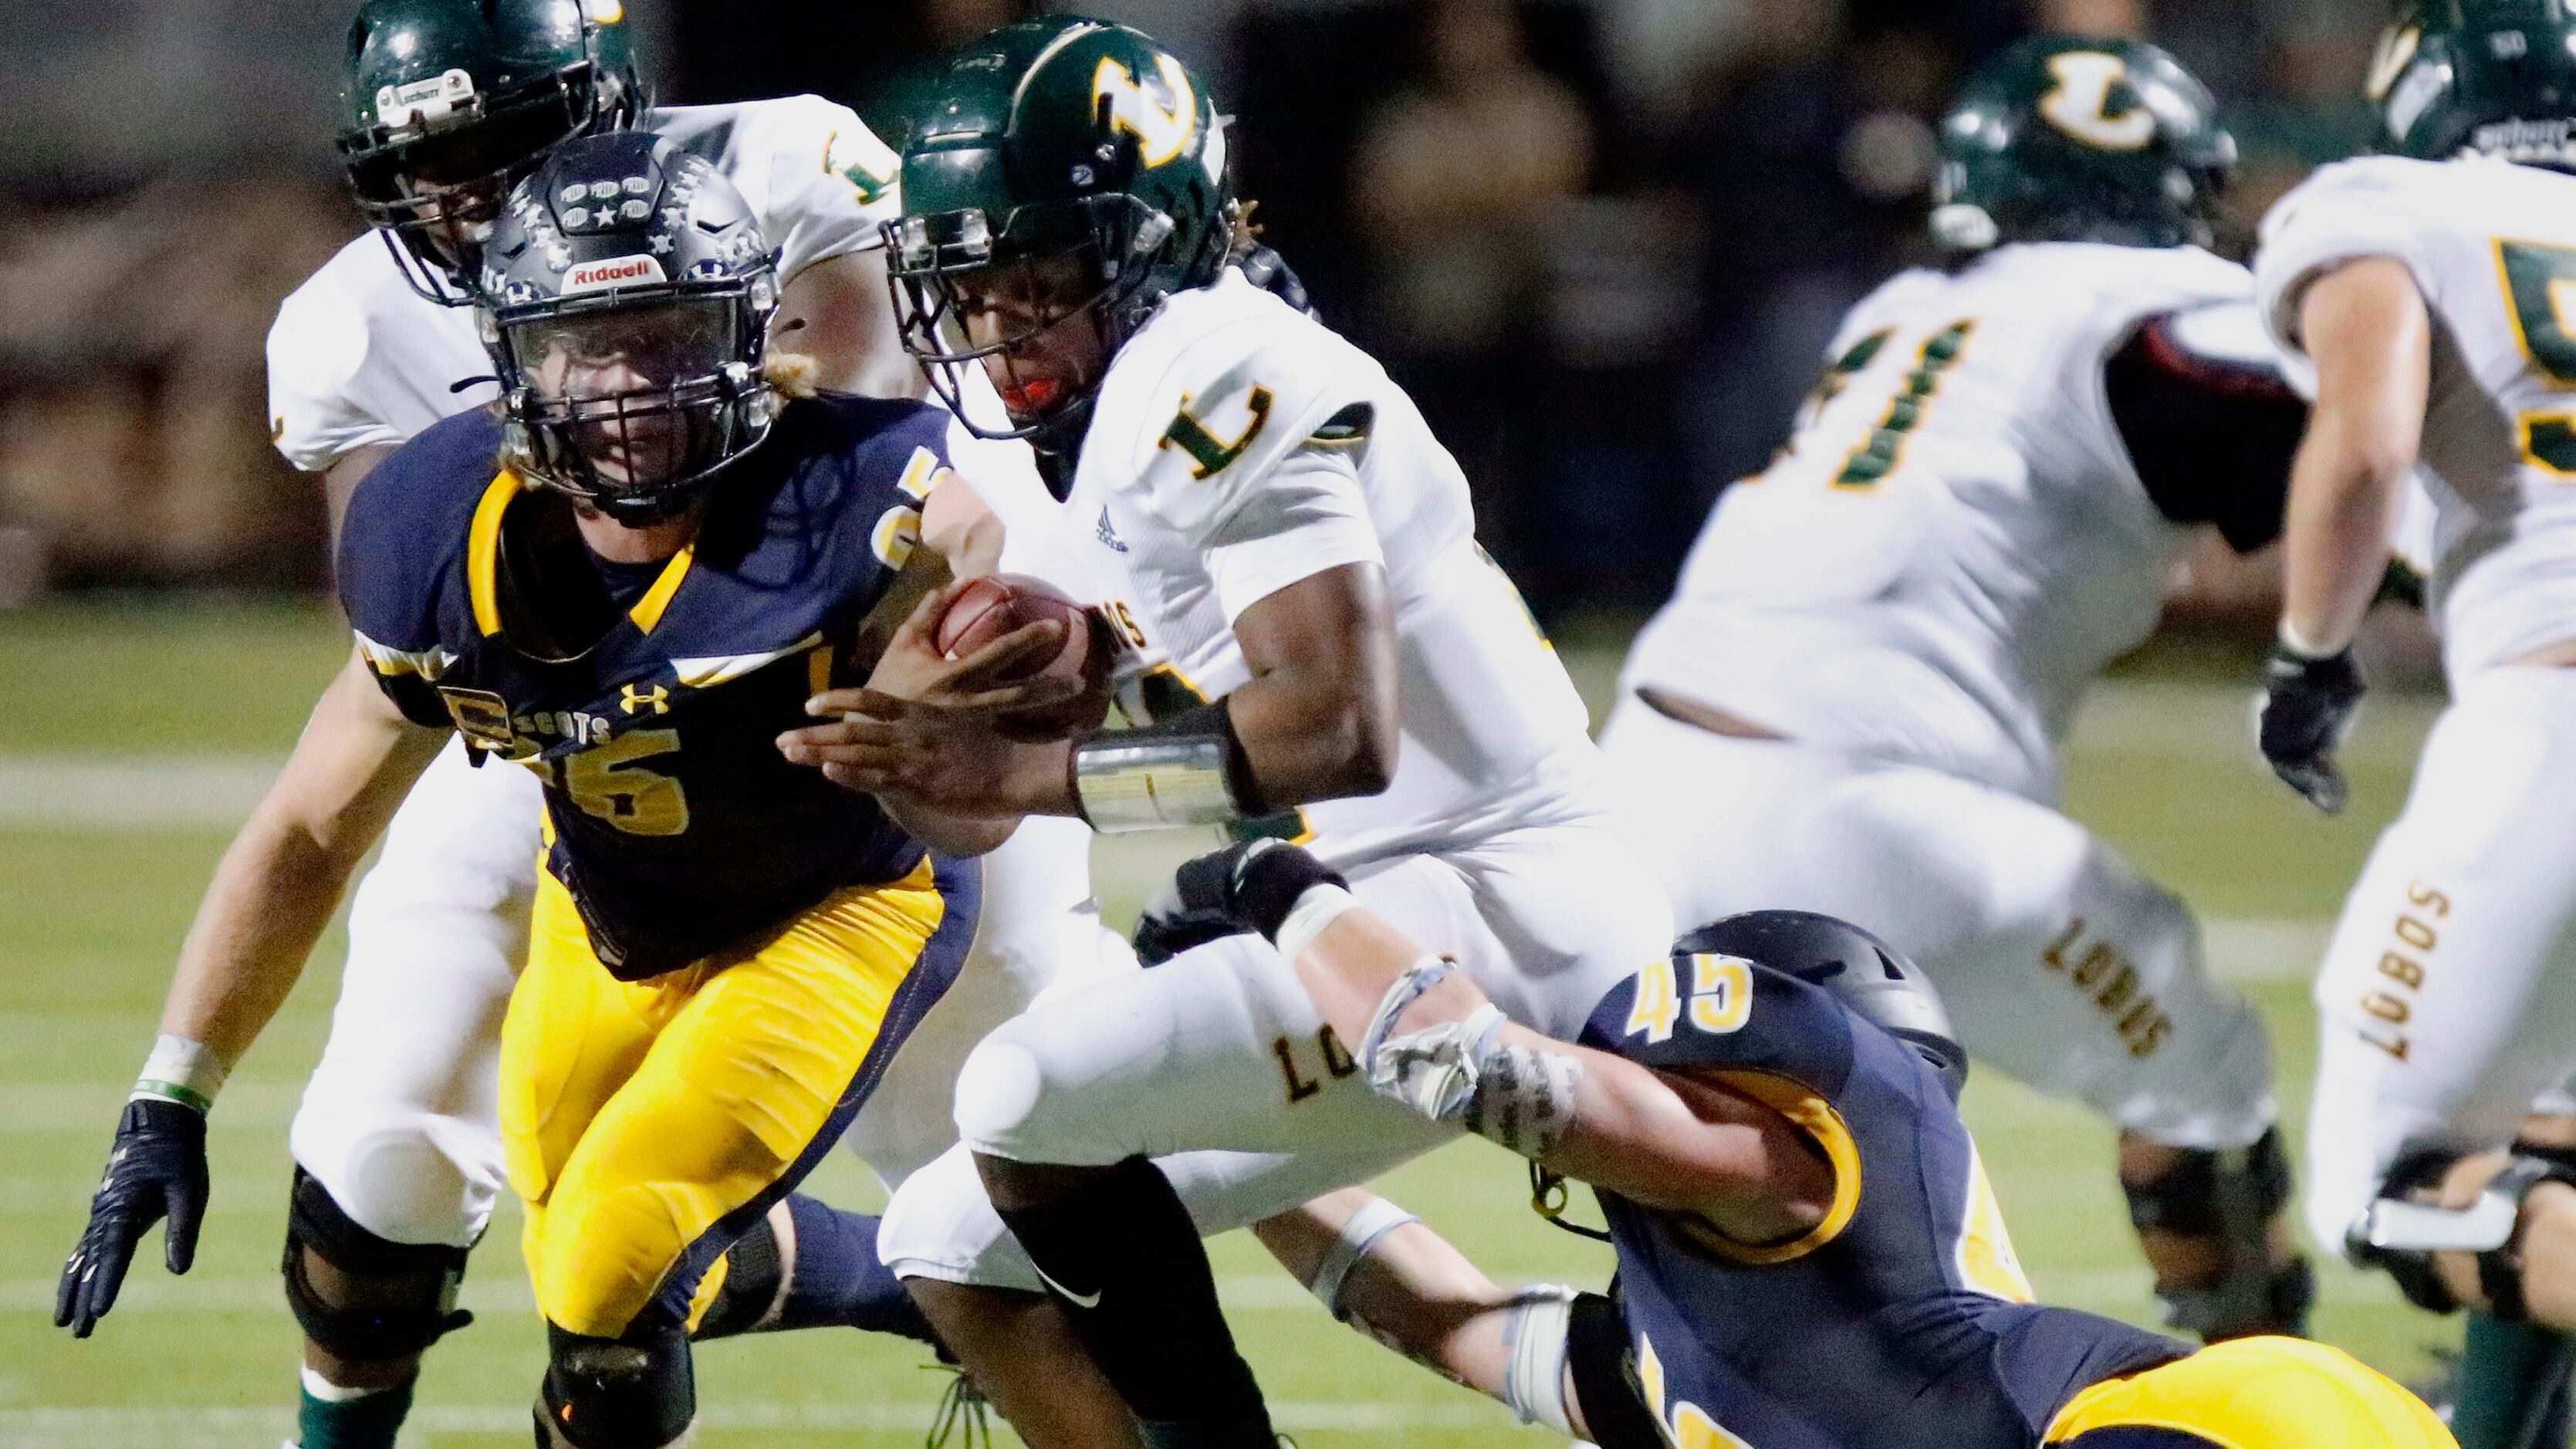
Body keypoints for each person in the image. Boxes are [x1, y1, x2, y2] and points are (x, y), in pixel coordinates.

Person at [49, 5, 1092, 1448]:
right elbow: (361, 731)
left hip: (844, 732)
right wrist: (174, 1082)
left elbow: (918, 476)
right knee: (387, 1177)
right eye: (441, 166)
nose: (479, 197)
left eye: (513, 144)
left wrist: (995, 673)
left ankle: (1163, 1303)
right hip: (565, 757)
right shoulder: (381, 388)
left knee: (1057, 1128)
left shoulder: (785, 185)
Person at [778, 17, 1671, 1445]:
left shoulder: (1215, 369)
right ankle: (1594, 1376)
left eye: (1039, 272)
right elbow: (1034, 788)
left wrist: (1024, 767)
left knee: (1025, 1094)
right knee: (944, 1237)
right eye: (971, 278)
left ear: (1144, 241)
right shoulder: (1064, 430)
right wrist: (921, 758)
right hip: (1350, 902)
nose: (999, 319)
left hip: (1500, 900)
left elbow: (1330, 731)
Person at [1597, 35, 2315, 1342]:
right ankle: (2269, 1382)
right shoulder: (2144, 301)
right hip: (1865, 813)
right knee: (2201, 1058)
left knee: (1789, 1177)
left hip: (1634, 779)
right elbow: (2328, 436)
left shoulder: (1905, 311)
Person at [1144, 836, 2459, 1449]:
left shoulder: (1790, 1163)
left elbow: (1473, 1067)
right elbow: (1438, 1315)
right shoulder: (1682, 1375)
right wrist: (1190, 1158)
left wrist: (1282, 889)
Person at [2251, 3, 2576, 1444]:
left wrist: (2310, 654)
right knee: (2544, 1130)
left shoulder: (2389, 202)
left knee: (2380, 1178)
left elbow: (2367, 440)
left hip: (2553, 718)